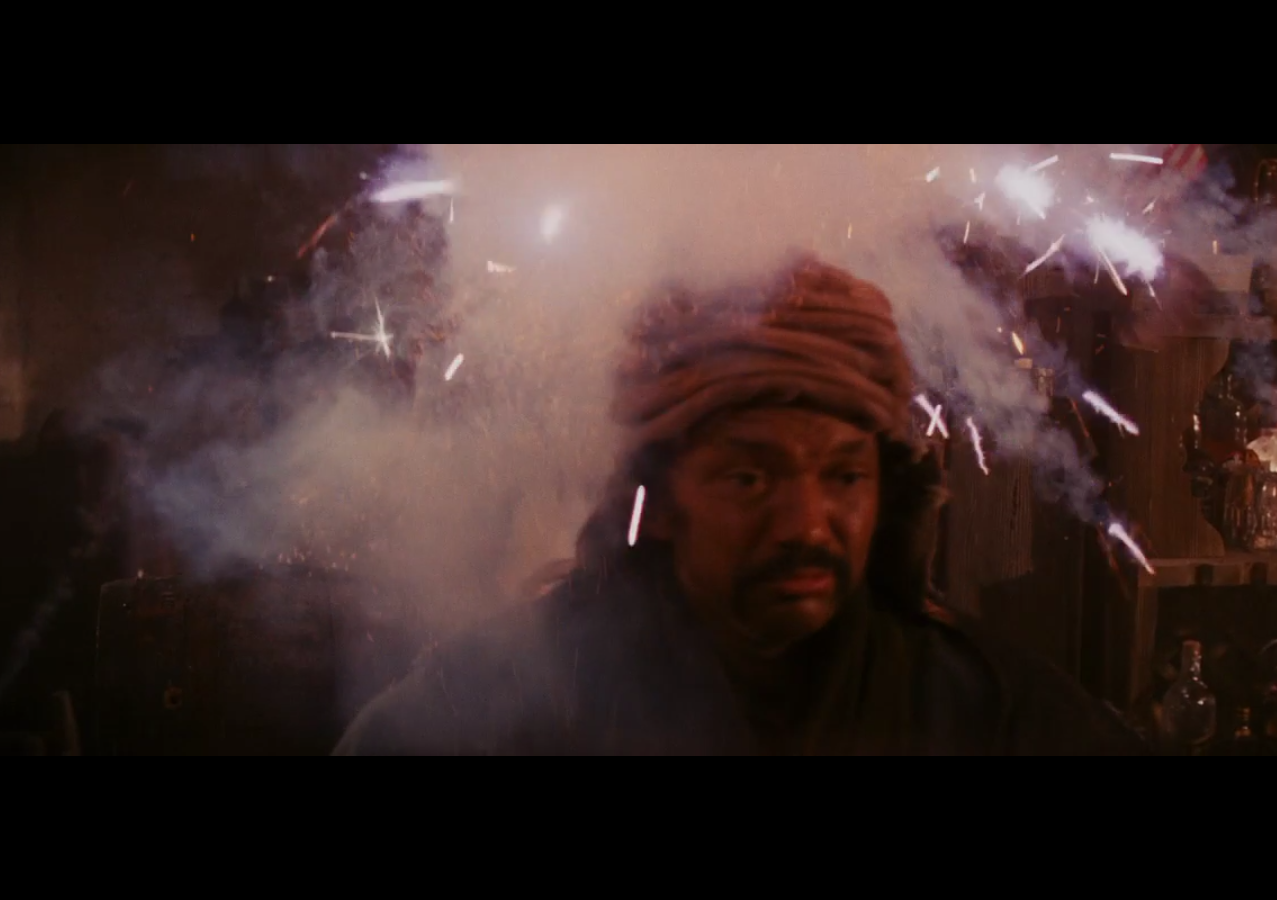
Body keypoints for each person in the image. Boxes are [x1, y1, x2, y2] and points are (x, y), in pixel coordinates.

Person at [334, 256, 1149, 756]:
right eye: (749, 480)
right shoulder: (503, 699)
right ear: (659, 499)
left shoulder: (987, 712)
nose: (806, 525)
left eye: (844, 477)